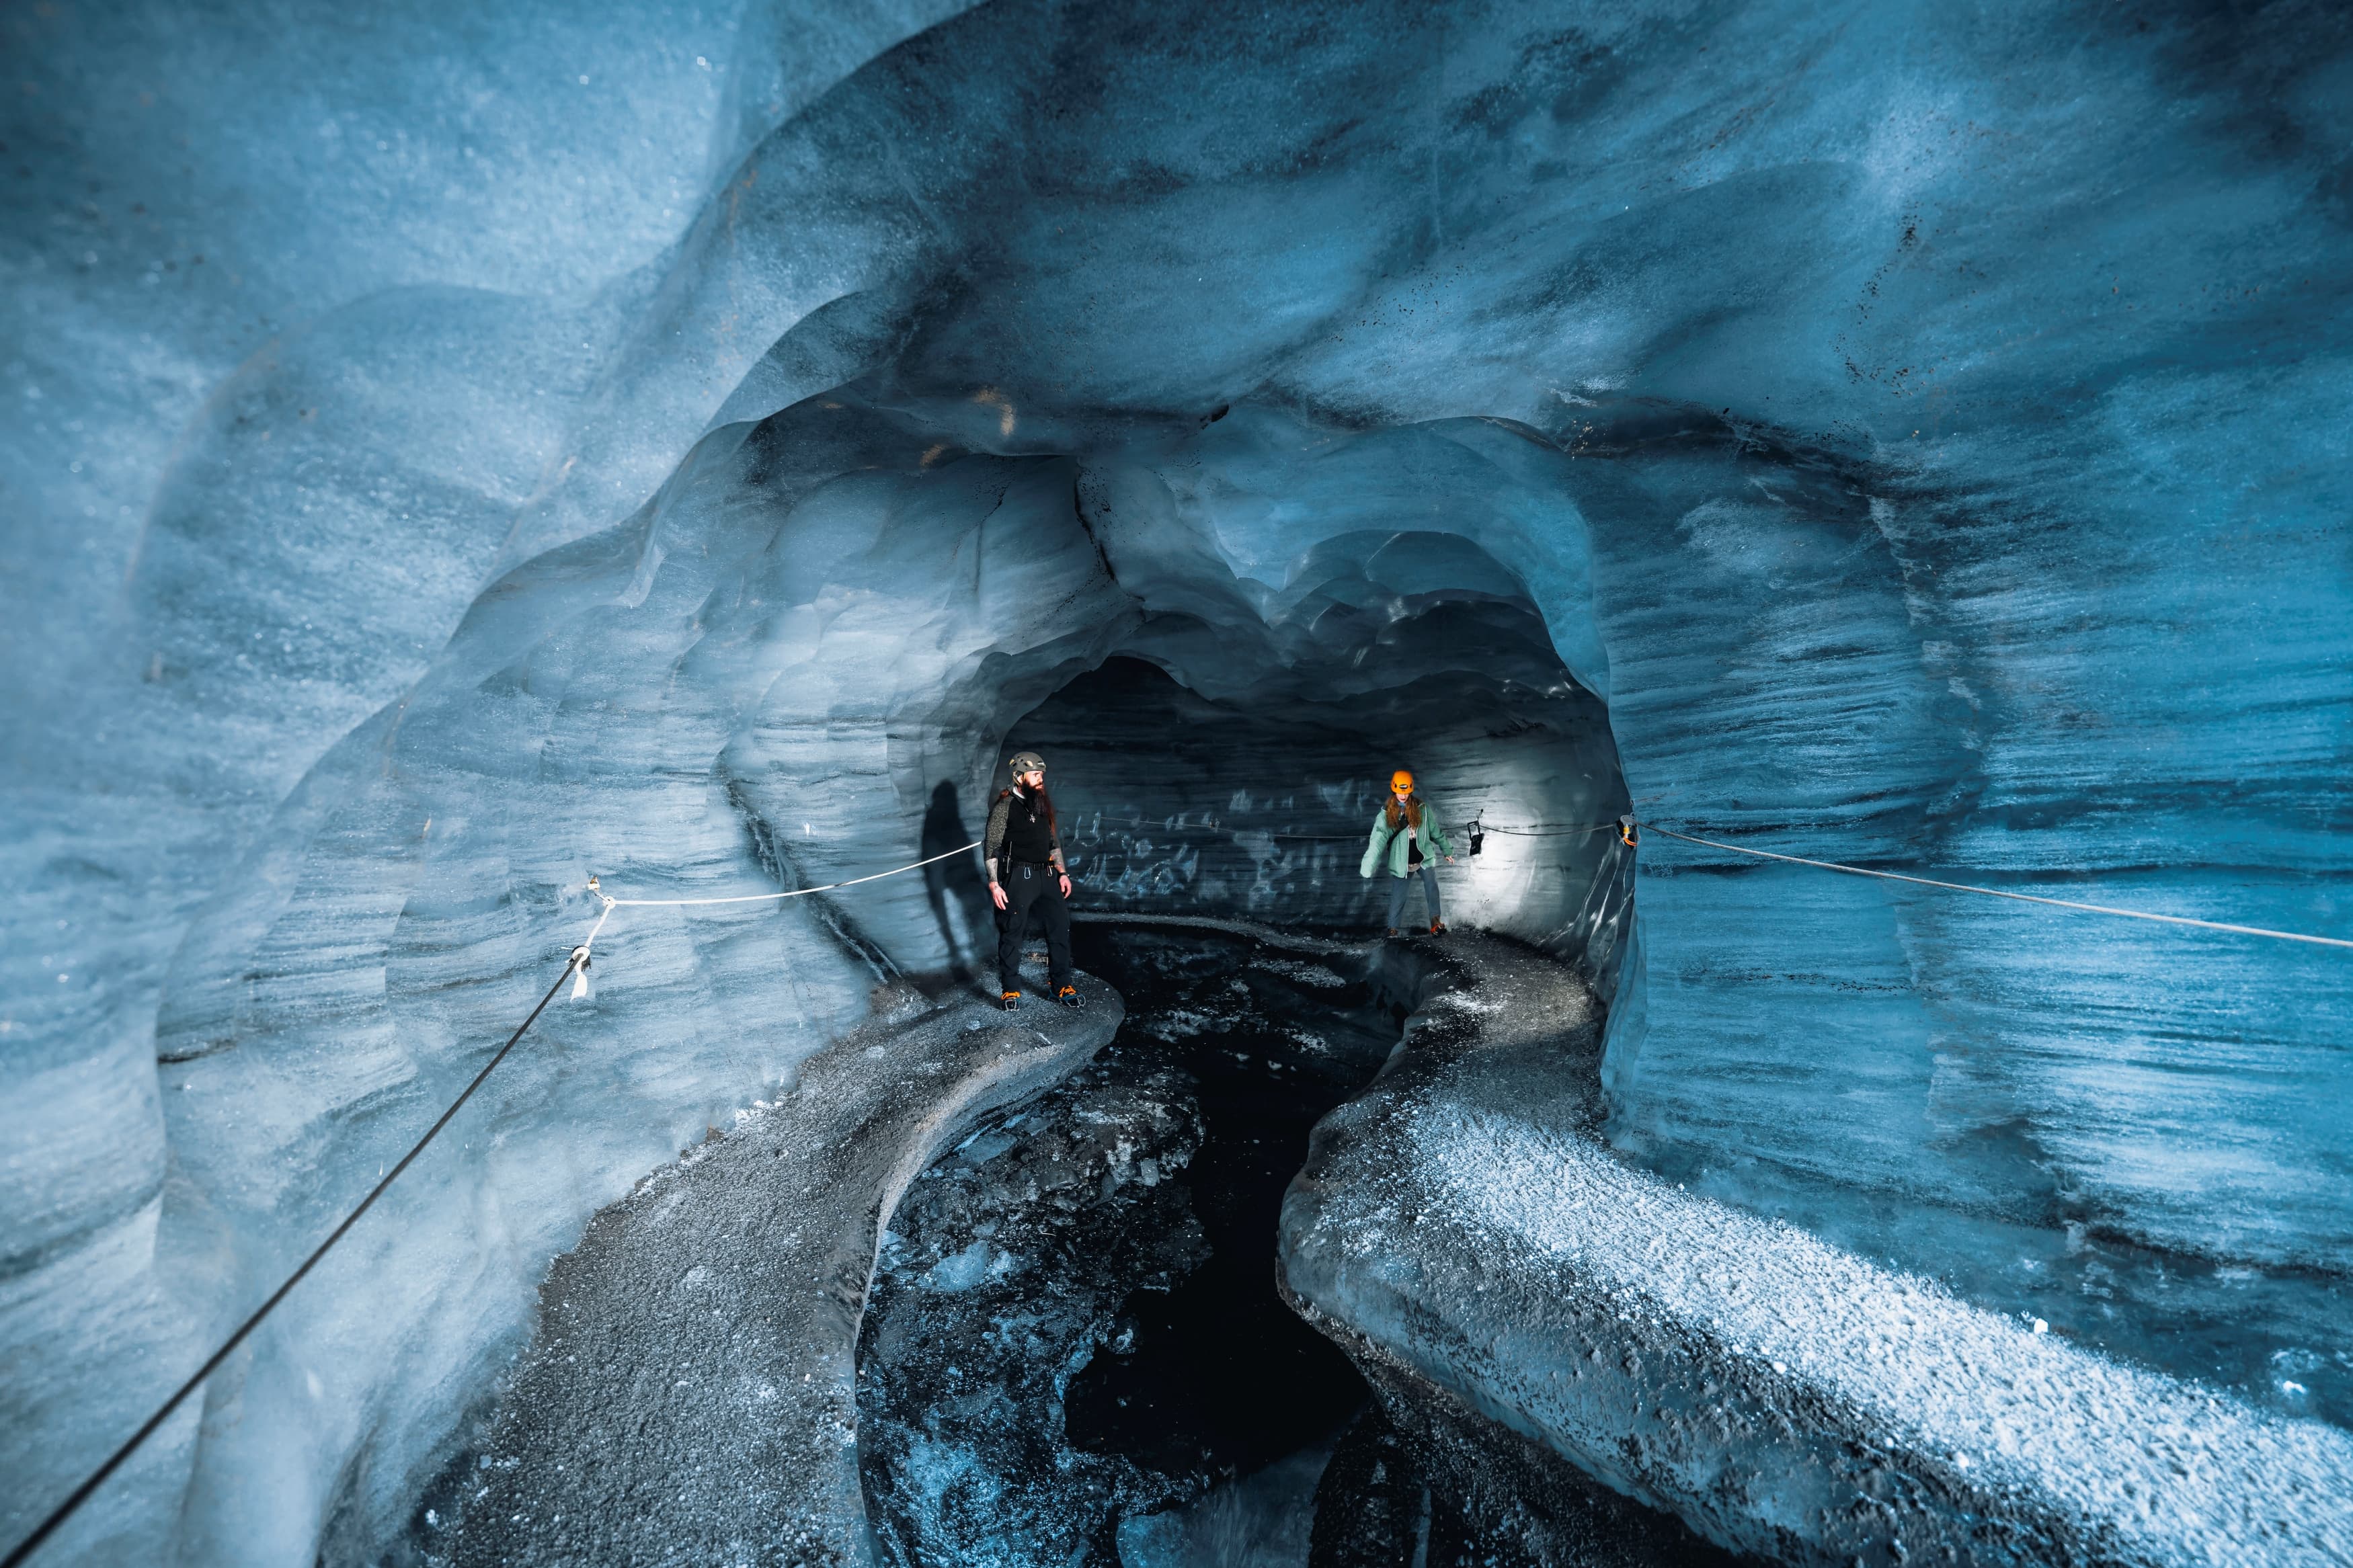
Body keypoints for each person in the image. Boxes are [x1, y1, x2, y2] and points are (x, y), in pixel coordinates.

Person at [986, 750, 1080, 1010]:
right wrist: (994, 883)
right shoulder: (1005, 807)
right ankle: (1011, 990)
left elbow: (1052, 843)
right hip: (1018, 876)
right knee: (1012, 932)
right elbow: (992, 845)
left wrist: (1062, 873)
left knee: (1060, 929)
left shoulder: (1042, 804)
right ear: (1019, 777)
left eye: (1041, 775)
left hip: (1048, 876)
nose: (1041, 780)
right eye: (1036, 775)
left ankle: (1060, 986)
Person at [1359, 769, 1453, 936]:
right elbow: (1378, 840)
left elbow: (1435, 831)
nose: (1403, 796)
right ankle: (1393, 929)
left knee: (1432, 886)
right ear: (1394, 789)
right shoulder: (1387, 815)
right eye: (1400, 792)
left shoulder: (1422, 809)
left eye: (1406, 792)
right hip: (1402, 862)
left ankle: (1435, 921)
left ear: (1410, 790)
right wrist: (1369, 864)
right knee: (1398, 897)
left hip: (1423, 858)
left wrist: (1446, 850)